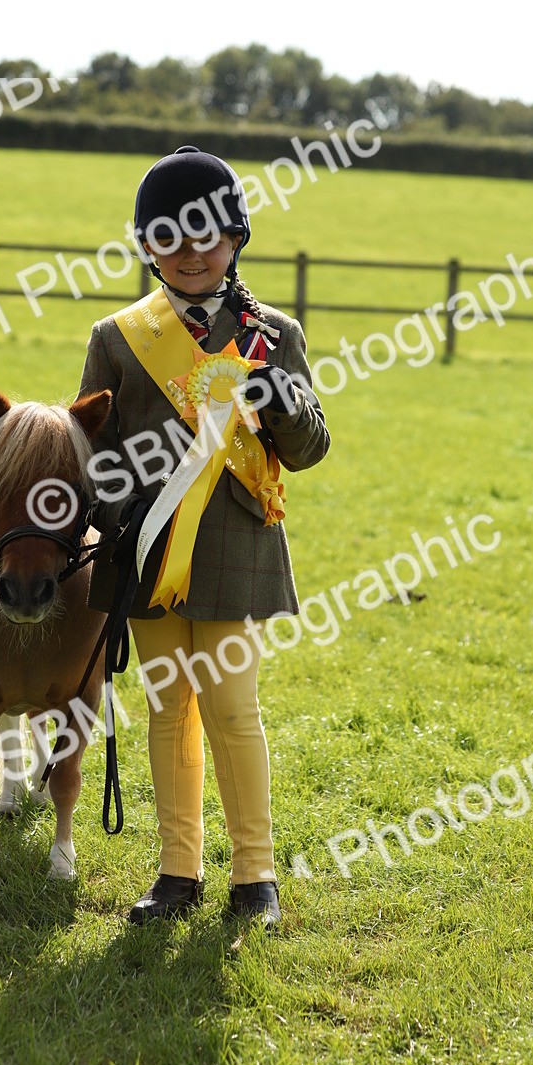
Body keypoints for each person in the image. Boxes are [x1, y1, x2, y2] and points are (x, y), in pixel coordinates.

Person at [77, 145, 330, 928]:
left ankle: (256, 877)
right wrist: (112, 512)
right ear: (148, 246)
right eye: (170, 238)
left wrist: (281, 401)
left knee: (232, 707)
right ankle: (176, 871)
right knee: (166, 708)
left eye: (206, 236)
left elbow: (311, 447)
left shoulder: (274, 335)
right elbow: (93, 444)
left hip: (234, 549)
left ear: (235, 238)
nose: (190, 253)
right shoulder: (118, 338)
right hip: (147, 554)